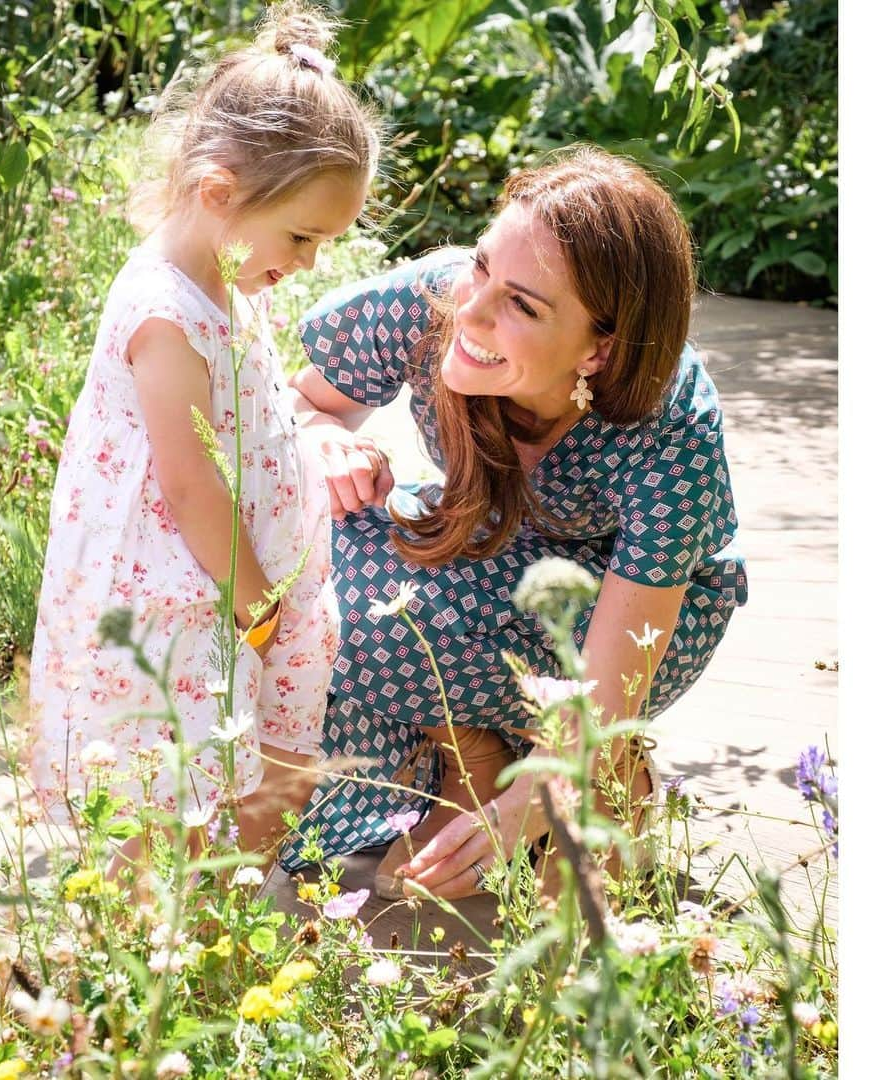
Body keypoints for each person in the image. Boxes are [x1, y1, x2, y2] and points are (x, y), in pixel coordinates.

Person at [280, 144, 748, 900]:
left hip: (633, 616)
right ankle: (467, 751)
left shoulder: (673, 428)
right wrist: (322, 438)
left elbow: (612, 671)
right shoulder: (434, 304)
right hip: (489, 553)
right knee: (301, 549)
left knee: (575, 770)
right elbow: (299, 408)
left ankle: (599, 776)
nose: (470, 309)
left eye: (523, 305)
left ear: (599, 351)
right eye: (481, 264)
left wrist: (526, 809)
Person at [25, 2, 381, 877]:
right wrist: (259, 608)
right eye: (303, 236)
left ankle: (229, 929)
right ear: (219, 192)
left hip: (249, 592)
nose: (310, 261)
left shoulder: (230, 286)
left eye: (327, 242)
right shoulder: (164, 314)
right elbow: (188, 485)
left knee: (269, 771)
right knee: (162, 803)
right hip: (183, 602)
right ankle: (138, 961)